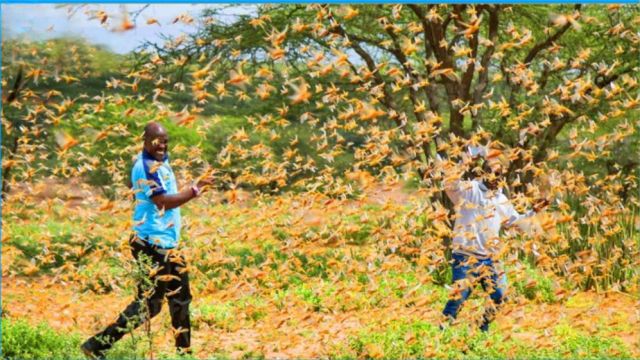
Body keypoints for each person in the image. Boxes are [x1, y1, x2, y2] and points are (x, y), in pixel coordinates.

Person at [81, 121, 214, 358]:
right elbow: (162, 201)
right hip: (151, 244)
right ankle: (96, 346)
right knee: (149, 305)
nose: (162, 145)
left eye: (165, 141)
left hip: (168, 245)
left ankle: (184, 353)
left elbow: (170, 196)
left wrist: (195, 185)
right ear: (145, 140)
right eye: (157, 140)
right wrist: (193, 192)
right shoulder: (145, 166)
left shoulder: (161, 162)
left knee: (181, 299)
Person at [436, 143, 548, 332]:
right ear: (483, 173)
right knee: (459, 297)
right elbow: (450, 183)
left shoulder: (501, 200)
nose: (497, 179)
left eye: (500, 176)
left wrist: (533, 211)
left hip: (489, 259)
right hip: (465, 257)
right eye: (493, 174)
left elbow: (514, 221)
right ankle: (441, 334)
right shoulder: (469, 190)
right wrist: (468, 158)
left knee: (500, 297)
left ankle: (481, 329)